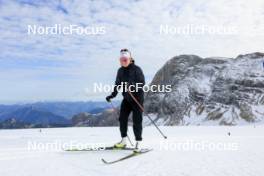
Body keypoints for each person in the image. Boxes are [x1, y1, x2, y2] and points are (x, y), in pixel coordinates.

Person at [106, 48, 145, 152]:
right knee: (122, 119)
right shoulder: (120, 71)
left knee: (137, 121)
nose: (123, 61)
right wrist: (112, 95)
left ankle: (138, 142)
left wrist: (132, 87)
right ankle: (123, 141)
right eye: (121, 59)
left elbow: (142, 83)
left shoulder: (137, 69)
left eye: (125, 59)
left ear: (130, 59)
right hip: (127, 99)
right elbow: (117, 84)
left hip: (137, 98)